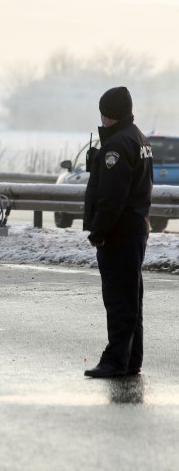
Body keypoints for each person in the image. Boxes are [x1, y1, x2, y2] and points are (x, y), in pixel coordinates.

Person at [83, 86, 153, 378]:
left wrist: (98, 230)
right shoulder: (139, 138)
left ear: (107, 112)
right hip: (135, 228)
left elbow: (112, 197)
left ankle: (114, 360)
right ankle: (130, 358)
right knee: (131, 298)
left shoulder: (117, 146)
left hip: (119, 233)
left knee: (119, 299)